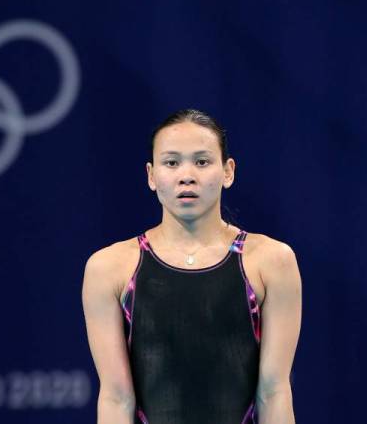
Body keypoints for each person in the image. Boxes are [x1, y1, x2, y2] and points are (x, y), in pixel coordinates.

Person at [82, 109, 302, 424]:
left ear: (228, 171)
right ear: (151, 175)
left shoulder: (271, 261)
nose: (187, 175)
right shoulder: (110, 268)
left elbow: (274, 392)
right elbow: (116, 398)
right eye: (171, 163)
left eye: (202, 162)